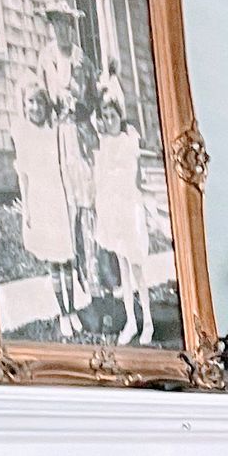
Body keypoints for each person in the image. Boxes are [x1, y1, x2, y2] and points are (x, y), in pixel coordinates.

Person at [14, 1, 100, 336]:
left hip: (77, 135)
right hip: (54, 143)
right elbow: (38, 99)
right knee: (60, 221)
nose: (61, 30)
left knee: (83, 212)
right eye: (55, 24)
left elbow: (92, 101)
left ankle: (91, 289)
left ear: (73, 27)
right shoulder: (45, 59)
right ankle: (69, 298)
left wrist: (78, 105)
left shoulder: (81, 62)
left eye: (66, 24)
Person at [92, 77, 153, 344]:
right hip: (113, 211)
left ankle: (148, 321)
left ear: (120, 115)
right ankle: (130, 320)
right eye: (104, 116)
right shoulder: (103, 144)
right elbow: (101, 180)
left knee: (137, 268)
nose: (109, 119)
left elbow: (133, 176)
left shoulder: (130, 140)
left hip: (130, 208)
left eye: (112, 114)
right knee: (123, 270)